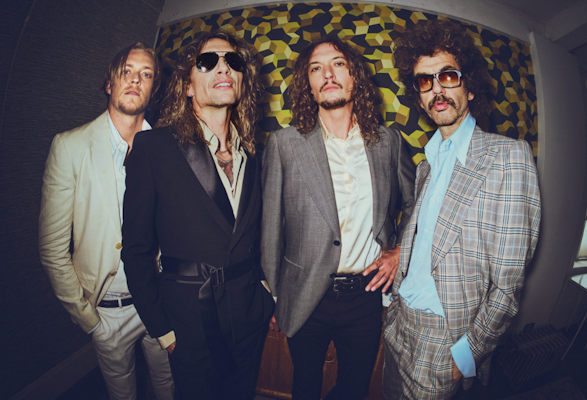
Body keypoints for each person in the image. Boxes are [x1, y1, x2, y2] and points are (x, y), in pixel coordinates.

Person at [382, 19, 541, 400]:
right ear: (419, 96)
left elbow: (507, 285)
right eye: (425, 81)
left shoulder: (508, 157)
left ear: (469, 87)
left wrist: (467, 355)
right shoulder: (426, 164)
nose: (437, 89)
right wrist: (400, 257)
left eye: (448, 76)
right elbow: (429, 237)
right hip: (397, 324)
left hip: (444, 340)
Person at [261, 36, 416, 400]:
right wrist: (274, 296)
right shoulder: (285, 144)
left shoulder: (389, 142)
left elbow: (415, 204)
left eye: (338, 64)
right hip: (304, 294)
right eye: (316, 68)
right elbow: (269, 229)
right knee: (304, 388)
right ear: (309, 86)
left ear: (354, 77)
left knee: (354, 389)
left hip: (365, 295)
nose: (327, 74)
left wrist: (399, 252)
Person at [121, 30, 274, 400]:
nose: (223, 68)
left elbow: (260, 233)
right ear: (188, 86)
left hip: (249, 317)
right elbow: (136, 250)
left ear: (242, 80)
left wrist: (266, 292)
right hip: (189, 324)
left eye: (232, 61)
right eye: (207, 62)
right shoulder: (153, 147)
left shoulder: (255, 153)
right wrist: (162, 330)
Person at [39, 43, 174, 400]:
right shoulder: (69, 148)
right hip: (108, 312)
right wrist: (90, 321)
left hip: (159, 299)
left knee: (170, 385)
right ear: (109, 83)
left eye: (146, 74)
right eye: (126, 71)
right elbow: (52, 250)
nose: (135, 80)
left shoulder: (169, 148)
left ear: (153, 89)